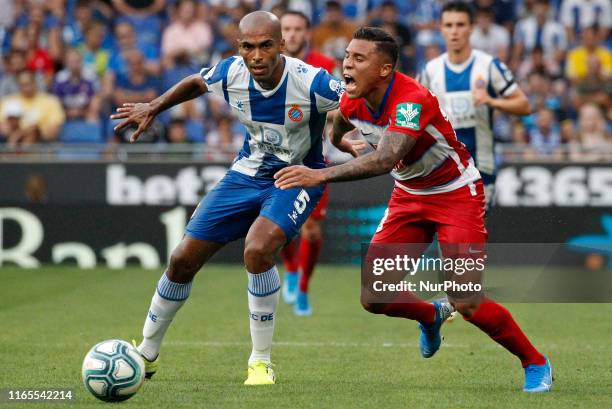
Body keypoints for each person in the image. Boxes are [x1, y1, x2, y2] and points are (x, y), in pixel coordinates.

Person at [274, 26, 552, 393]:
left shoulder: (410, 99)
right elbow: (337, 128)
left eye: (359, 59)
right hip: (409, 195)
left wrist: (318, 174)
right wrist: (346, 143)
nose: (347, 65)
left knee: (466, 300)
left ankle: (535, 362)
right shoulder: (352, 98)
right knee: (374, 296)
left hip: (456, 194)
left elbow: (386, 158)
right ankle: (431, 315)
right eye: (346, 57)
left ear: (384, 69)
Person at [110, 11, 346, 385]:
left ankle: (260, 360)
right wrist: (153, 106)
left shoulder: (311, 81)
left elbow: (353, 103)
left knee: (257, 249)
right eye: (248, 47)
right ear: (239, 48)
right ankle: (147, 352)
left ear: (281, 45)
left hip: (297, 176)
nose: (256, 56)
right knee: (182, 259)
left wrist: (354, 138)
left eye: (266, 46)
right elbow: (194, 82)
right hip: (246, 173)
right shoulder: (230, 72)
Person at [418, 1, 531, 208]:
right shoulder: (430, 71)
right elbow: (414, 114)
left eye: (460, 25)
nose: (454, 31)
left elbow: (523, 105)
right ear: (441, 28)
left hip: (481, 166)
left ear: (471, 28)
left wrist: (491, 101)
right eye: (449, 25)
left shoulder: (489, 65)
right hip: (443, 166)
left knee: (471, 234)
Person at [279, 10, 336, 315]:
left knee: (311, 230)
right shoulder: (268, 63)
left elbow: (341, 103)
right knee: (281, 224)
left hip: (313, 160)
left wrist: (338, 128)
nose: (291, 34)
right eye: (286, 28)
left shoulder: (325, 66)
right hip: (274, 158)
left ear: (307, 32)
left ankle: (303, 288)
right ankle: (290, 268)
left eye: (297, 28)